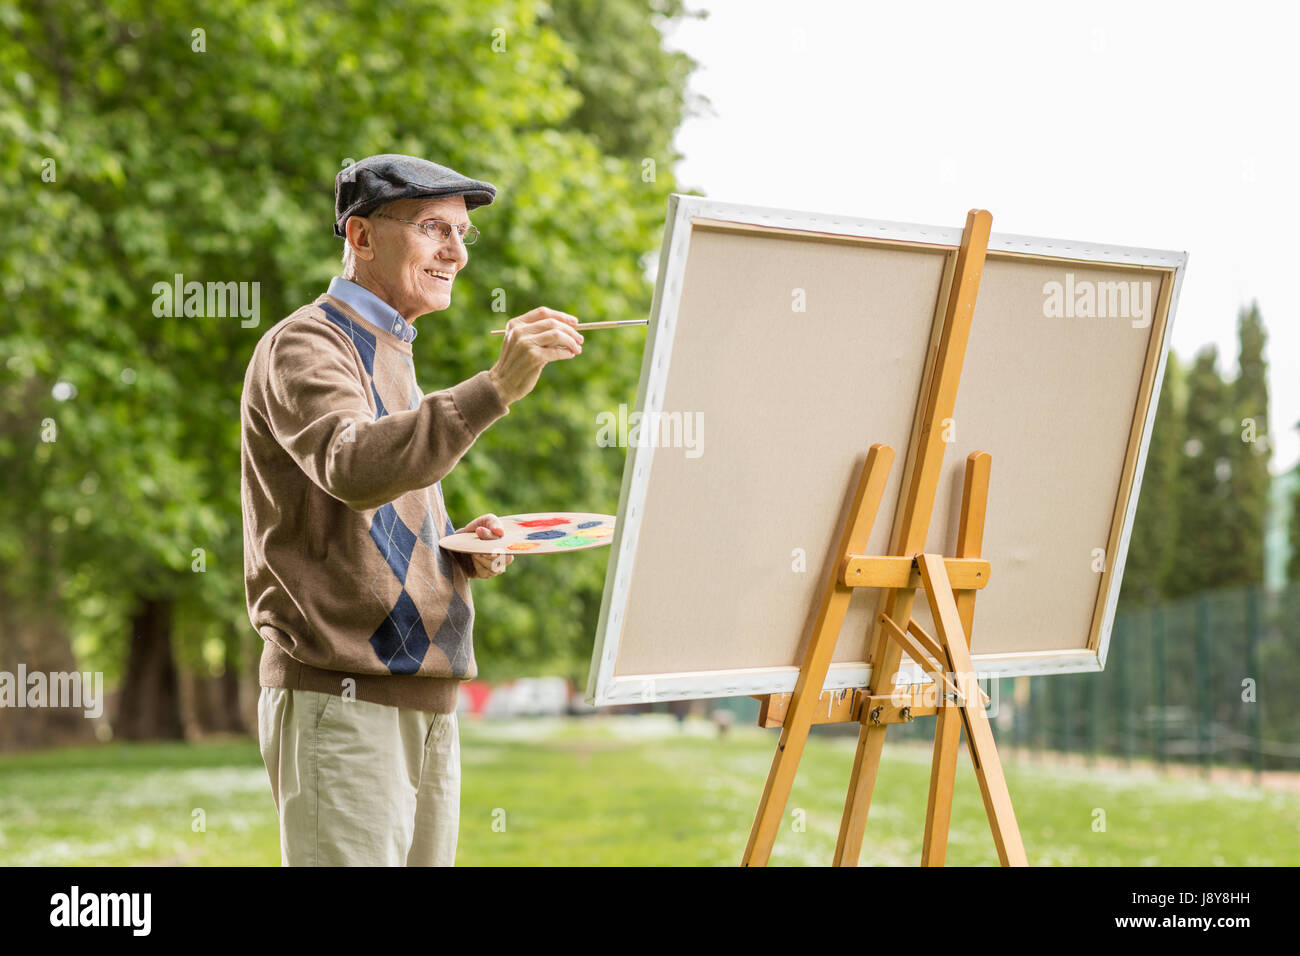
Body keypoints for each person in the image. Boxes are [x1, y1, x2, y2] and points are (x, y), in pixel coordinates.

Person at [240, 153, 584, 865]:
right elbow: (354, 467)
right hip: (343, 700)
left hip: (424, 703)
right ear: (361, 237)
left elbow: (377, 507)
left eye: (462, 234)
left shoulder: (393, 349)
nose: (455, 251)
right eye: (434, 228)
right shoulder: (306, 342)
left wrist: (455, 548)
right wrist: (495, 389)